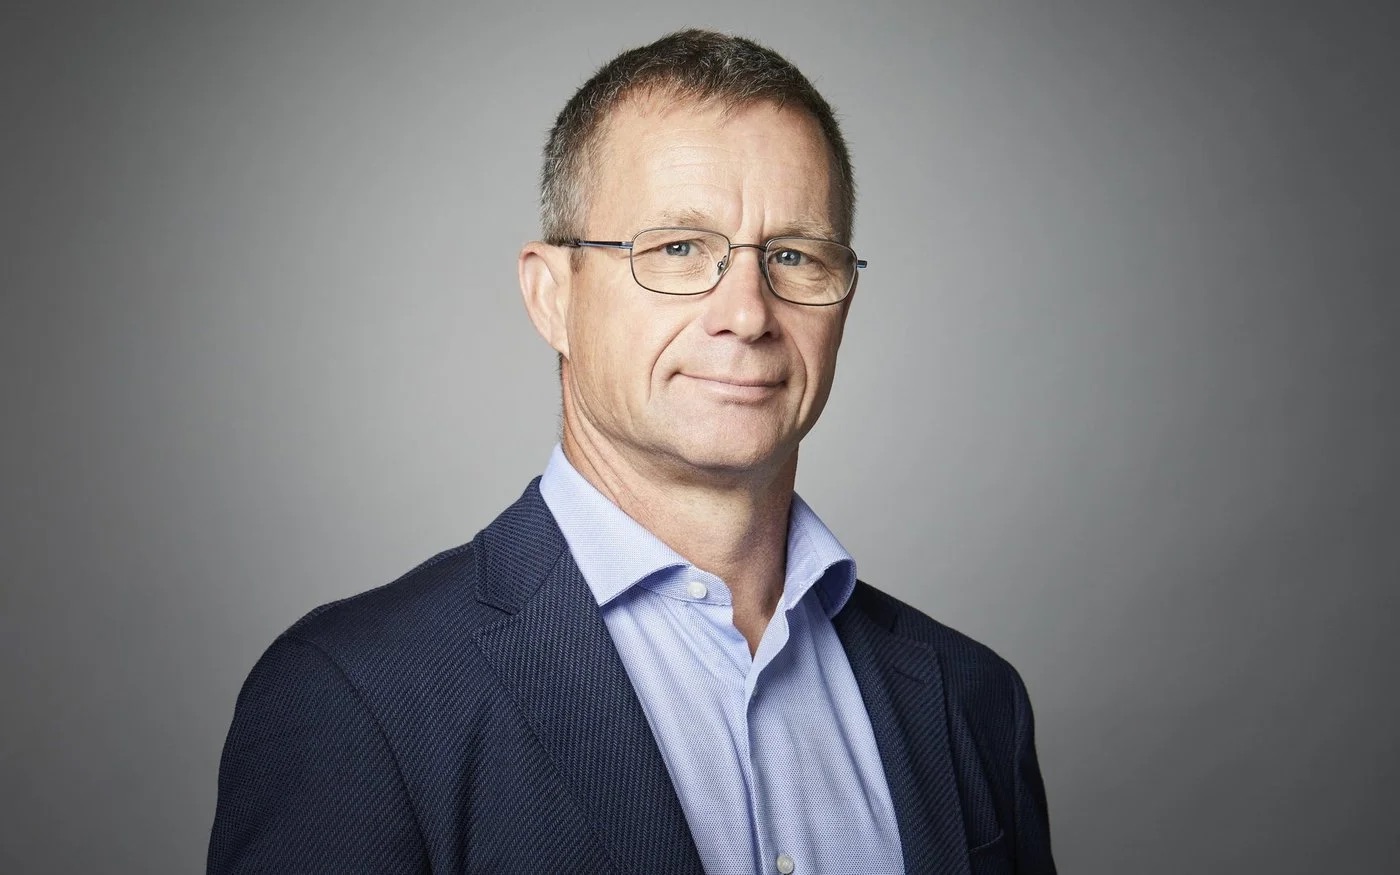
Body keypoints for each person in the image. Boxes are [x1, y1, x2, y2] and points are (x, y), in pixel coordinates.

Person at [208, 29, 1055, 875]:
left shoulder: (973, 700)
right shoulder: (358, 697)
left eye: (794, 256)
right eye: (678, 248)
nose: (747, 314)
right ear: (552, 295)